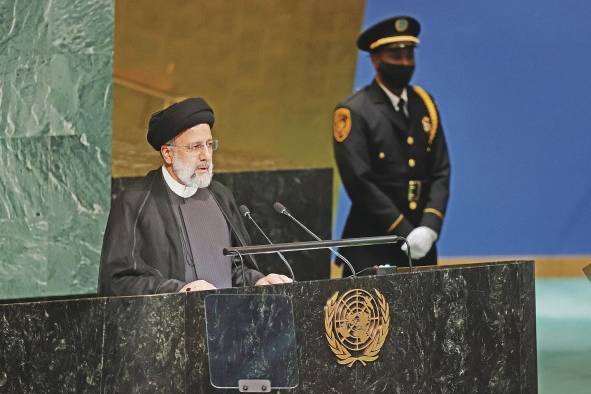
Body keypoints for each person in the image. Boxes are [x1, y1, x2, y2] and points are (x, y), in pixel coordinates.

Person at [98, 97, 292, 296]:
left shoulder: (220, 197)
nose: (206, 155)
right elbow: (116, 282)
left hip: (226, 321)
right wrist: (178, 290)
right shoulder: (134, 202)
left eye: (209, 144)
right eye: (195, 147)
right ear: (167, 154)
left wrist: (257, 280)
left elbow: (234, 268)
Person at [333, 16, 450, 272]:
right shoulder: (354, 111)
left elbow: (441, 170)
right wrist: (403, 231)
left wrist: (429, 227)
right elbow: (359, 181)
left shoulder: (424, 104)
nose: (405, 63)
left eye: (409, 55)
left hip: (421, 240)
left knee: (424, 311)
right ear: (375, 60)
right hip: (373, 239)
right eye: (396, 57)